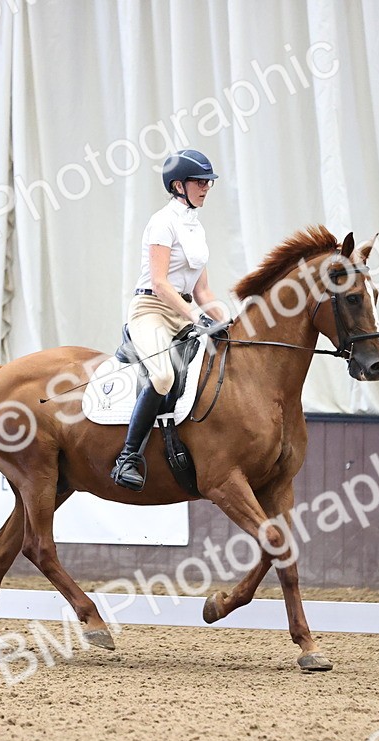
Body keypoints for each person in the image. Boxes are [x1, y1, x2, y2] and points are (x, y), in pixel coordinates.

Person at [111, 149, 229, 491]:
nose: (206, 187)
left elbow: (204, 291)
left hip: (182, 313)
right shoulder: (162, 222)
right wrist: (195, 316)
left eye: (209, 182)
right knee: (162, 376)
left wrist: (230, 322)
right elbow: (161, 283)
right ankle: (128, 457)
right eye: (200, 182)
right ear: (179, 185)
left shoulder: (196, 228)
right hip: (151, 311)